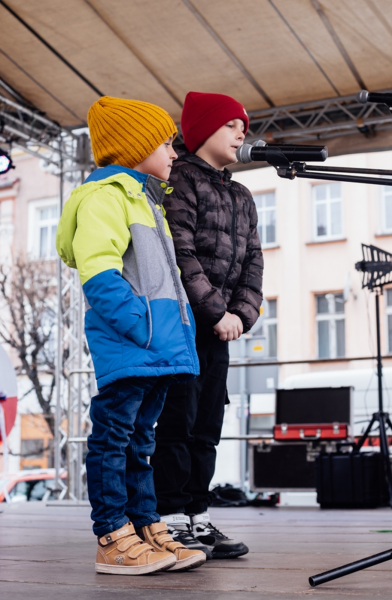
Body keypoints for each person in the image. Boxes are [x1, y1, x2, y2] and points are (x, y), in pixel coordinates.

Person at [56, 96, 206, 576]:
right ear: (133, 146)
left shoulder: (146, 200)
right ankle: (111, 535)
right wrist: (142, 328)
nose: (174, 153)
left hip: (155, 346)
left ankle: (145, 525)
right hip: (133, 344)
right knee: (115, 437)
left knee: (141, 440)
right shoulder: (105, 197)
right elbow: (100, 274)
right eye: (165, 143)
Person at [152, 91, 264, 559]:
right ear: (204, 131)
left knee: (208, 424)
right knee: (177, 420)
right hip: (184, 325)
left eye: (244, 124)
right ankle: (172, 518)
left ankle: (199, 516)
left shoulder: (242, 194)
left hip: (223, 329)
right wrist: (216, 312)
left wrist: (241, 315)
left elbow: (254, 261)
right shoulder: (179, 180)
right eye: (231, 124)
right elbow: (180, 253)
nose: (242, 130)